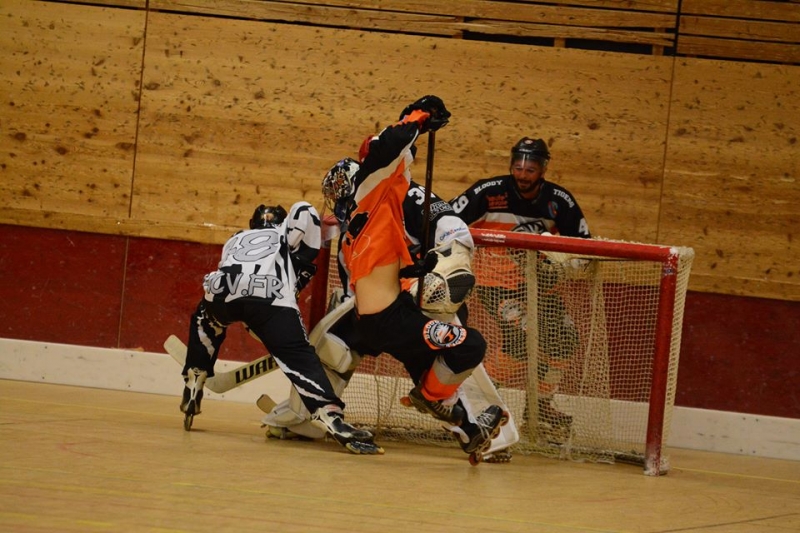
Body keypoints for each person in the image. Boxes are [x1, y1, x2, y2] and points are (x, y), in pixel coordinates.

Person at [263, 96, 508, 459]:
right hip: (393, 312)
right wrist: (417, 116)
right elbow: (387, 148)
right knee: (465, 347)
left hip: (386, 310)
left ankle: (468, 427)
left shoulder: (366, 213)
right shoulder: (374, 195)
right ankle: (433, 401)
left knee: (345, 347)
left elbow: (437, 233)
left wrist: (431, 267)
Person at [179, 201, 383, 455]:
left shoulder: (236, 239)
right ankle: (330, 416)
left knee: (205, 319)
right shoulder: (285, 233)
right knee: (299, 356)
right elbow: (304, 217)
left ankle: (194, 377)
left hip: (222, 292)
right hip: (270, 301)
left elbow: (245, 280)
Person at [449, 137, 591, 438]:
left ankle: (540, 408)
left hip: (542, 289)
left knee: (565, 342)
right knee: (521, 342)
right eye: (518, 168)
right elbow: (446, 220)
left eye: (530, 170)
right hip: (496, 285)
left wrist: (571, 264)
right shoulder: (488, 192)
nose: (522, 175)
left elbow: (583, 245)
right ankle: (471, 403)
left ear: (543, 169)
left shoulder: (558, 200)